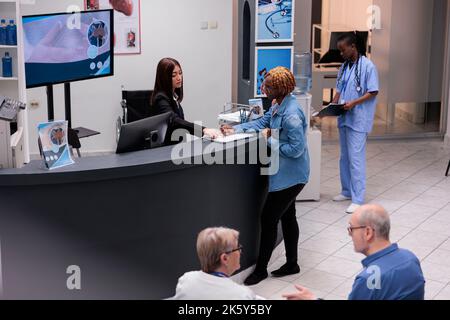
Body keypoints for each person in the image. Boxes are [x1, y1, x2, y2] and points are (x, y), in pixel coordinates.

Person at [221, 67, 310, 286]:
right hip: (285, 174)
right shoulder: (278, 104)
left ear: (279, 89)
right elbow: (262, 123)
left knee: (268, 219)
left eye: (268, 86)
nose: (263, 88)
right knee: (288, 216)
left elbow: (296, 149)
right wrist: (237, 129)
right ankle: (292, 264)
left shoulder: (291, 116)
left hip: (293, 176)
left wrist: (269, 140)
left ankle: (260, 270)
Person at [283, 204, 425, 300]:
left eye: (351, 228)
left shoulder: (369, 279)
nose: (349, 234)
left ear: (368, 232)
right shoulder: (410, 258)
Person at [330, 32, 379, 214]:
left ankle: (358, 198)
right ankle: (346, 191)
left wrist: (354, 103)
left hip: (358, 119)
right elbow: (340, 88)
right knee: (345, 157)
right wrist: (332, 105)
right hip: (344, 117)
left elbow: (373, 91)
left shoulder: (368, 66)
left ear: (353, 47)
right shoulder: (344, 67)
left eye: (343, 50)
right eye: (339, 50)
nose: (341, 53)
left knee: (356, 159)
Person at [171, 227, 262, 300]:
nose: (240, 252)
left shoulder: (186, 280)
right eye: (238, 248)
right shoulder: (242, 295)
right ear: (225, 258)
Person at [150, 57, 219, 141]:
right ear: (164, 78)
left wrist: (206, 133)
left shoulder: (173, 96)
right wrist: (203, 130)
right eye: (173, 75)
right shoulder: (160, 99)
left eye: (180, 73)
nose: (179, 78)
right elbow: (175, 121)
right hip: (165, 148)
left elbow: (182, 124)